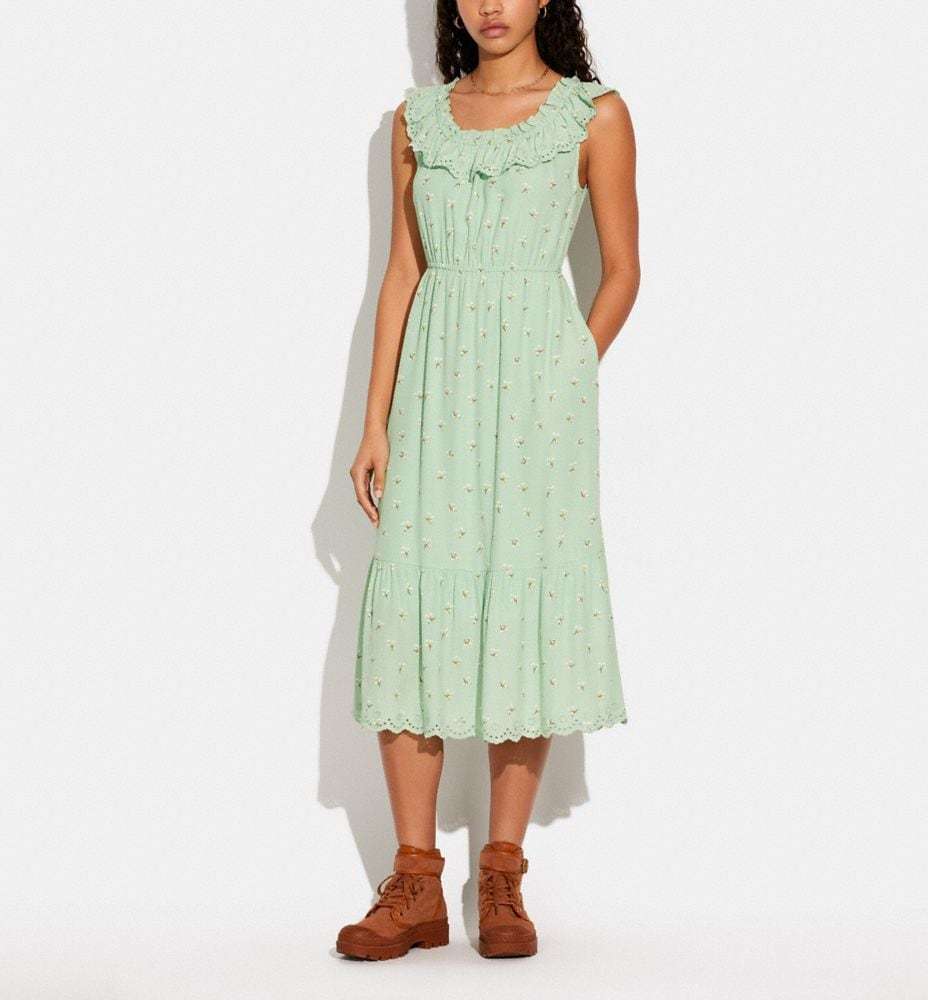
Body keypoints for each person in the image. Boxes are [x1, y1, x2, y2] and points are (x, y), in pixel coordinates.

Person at [338, 0, 639, 960]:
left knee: (524, 601)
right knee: (410, 611)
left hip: (541, 405)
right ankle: (415, 881)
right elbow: (401, 274)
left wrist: (568, 369)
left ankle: (502, 874)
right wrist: (375, 420)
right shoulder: (417, 121)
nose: (491, 4)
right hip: (432, 393)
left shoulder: (594, 115)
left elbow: (622, 271)